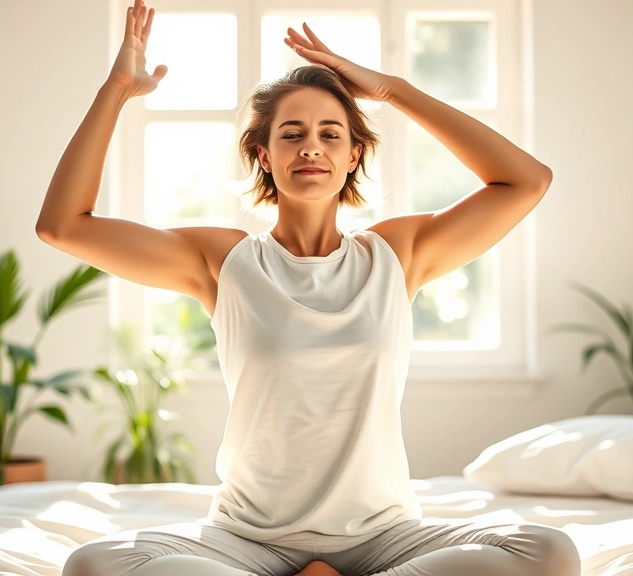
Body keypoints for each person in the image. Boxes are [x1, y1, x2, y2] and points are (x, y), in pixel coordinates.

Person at [37, 1, 579, 575]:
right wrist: (118, 89)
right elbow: (62, 226)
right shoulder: (224, 261)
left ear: (353, 156)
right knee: (93, 565)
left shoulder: (395, 256)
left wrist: (391, 90)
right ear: (264, 157)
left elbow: (526, 181)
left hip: (382, 537)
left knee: (547, 552)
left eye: (330, 134)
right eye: (291, 134)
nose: (311, 146)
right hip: (249, 540)